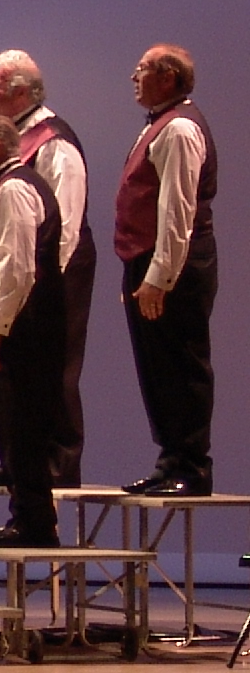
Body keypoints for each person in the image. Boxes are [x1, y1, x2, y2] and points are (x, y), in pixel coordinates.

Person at [0, 50, 94, 487]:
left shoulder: (54, 142)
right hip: (22, 274)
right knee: (11, 370)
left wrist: (49, 286)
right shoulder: (13, 138)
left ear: (22, 92)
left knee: (56, 366)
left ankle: (58, 463)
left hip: (53, 273)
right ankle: (19, 462)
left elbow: (65, 222)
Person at [115, 43, 217, 497]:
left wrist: (159, 277)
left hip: (174, 262)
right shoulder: (158, 125)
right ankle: (171, 459)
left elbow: (177, 211)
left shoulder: (178, 129)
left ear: (169, 77)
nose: (134, 78)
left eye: (142, 69)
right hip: (149, 260)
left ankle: (191, 467)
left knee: (180, 364)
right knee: (157, 368)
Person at [0, 114, 64, 544]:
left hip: (24, 328)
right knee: (14, 426)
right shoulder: (6, 188)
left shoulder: (13, 190)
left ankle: (33, 522)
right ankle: (25, 512)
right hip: (23, 326)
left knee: (22, 425)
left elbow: (18, 270)